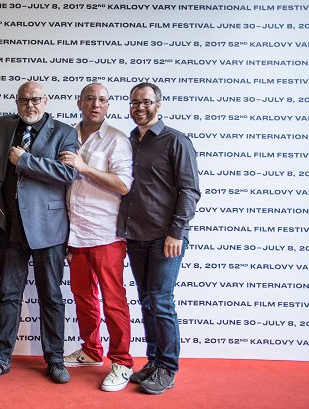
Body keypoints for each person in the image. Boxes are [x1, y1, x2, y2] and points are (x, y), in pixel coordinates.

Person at [0, 81, 79, 384]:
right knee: (9, 296)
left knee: (51, 297)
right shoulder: (3, 126)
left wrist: (26, 161)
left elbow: (67, 173)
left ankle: (55, 359)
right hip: (11, 228)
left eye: (35, 99)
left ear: (45, 101)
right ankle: (1, 358)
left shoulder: (64, 132)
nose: (30, 105)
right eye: (24, 100)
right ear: (17, 103)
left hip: (49, 229)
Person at [116, 82, 200, 395]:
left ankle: (167, 367)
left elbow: (189, 191)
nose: (140, 107)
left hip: (166, 238)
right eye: (135, 102)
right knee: (148, 301)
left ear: (159, 104)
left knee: (161, 302)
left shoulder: (175, 141)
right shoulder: (129, 143)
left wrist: (176, 232)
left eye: (147, 102)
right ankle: (152, 360)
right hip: (136, 236)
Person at [58, 83, 135, 392]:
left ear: (108, 105)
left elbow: (123, 185)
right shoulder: (67, 135)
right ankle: (91, 350)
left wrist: (83, 167)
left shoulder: (117, 140)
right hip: (75, 234)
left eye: (102, 100)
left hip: (106, 234)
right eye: (90, 98)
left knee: (114, 300)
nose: (95, 104)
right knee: (83, 296)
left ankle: (123, 362)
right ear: (79, 102)